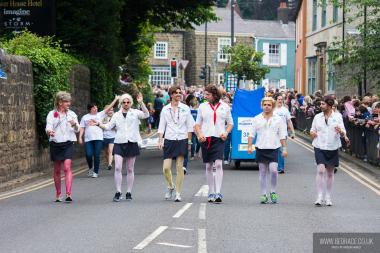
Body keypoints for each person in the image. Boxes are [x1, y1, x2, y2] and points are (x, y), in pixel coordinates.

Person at [99, 93, 149, 202]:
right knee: (117, 167)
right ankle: (118, 192)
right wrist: (98, 124)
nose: (126, 104)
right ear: (121, 103)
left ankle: (129, 192)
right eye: (124, 102)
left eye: (128, 102)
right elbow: (108, 127)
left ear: (131, 103)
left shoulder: (135, 113)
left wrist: (141, 102)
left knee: (130, 169)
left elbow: (146, 114)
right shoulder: (116, 115)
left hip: (132, 142)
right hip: (119, 142)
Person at [194, 84, 233, 203]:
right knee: (209, 166)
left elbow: (230, 123)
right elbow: (197, 124)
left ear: (215, 95)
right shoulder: (202, 106)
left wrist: (226, 133)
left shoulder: (225, 106)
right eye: (205, 94)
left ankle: (218, 192)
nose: (205, 96)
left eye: (207, 94)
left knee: (219, 164)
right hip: (206, 138)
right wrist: (199, 134)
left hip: (219, 138)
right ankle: (211, 192)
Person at [247, 97, 288, 204]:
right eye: (265, 104)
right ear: (262, 106)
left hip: (274, 148)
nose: (267, 106)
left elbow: (282, 135)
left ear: (272, 106)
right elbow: (251, 134)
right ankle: (263, 194)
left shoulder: (278, 119)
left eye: (269, 105)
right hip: (261, 148)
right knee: (263, 172)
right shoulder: (256, 118)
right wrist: (249, 146)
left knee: (274, 170)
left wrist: (284, 148)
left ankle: (273, 191)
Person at [310, 96, 349, 206]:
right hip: (319, 146)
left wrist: (341, 132)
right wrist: (312, 133)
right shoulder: (317, 117)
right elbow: (312, 130)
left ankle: (328, 197)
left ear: (329, 105)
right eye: (320, 104)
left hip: (332, 146)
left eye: (323, 104)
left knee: (330, 173)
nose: (320, 106)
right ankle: (319, 196)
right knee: (321, 170)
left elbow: (343, 133)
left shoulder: (338, 117)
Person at [158, 86, 195, 202]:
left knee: (180, 167)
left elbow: (190, 126)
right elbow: (161, 126)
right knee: (166, 168)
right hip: (169, 139)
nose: (179, 94)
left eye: (180, 93)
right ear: (171, 95)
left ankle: (178, 193)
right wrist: (160, 140)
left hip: (182, 139)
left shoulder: (185, 108)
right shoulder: (165, 109)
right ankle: (170, 186)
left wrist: (189, 142)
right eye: (176, 93)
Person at [45, 91, 80, 202]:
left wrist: (74, 124)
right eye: (66, 101)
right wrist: (49, 132)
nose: (69, 103)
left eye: (69, 101)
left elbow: (77, 129)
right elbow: (48, 126)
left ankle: (68, 193)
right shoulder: (52, 114)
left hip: (68, 143)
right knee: (56, 170)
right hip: (56, 143)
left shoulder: (72, 114)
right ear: (60, 102)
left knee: (66, 167)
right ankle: (58, 194)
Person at [79, 96, 119, 178]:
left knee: (96, 155)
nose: (96, 108)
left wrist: (115, 99)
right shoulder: (85, 117)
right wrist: (80, 137)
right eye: (94, 107)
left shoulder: (100, 114)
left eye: (96, 107)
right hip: (88, 139)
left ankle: (95, 172)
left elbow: (109, 107)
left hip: (99, 139)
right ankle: (90, 168)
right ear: (90, 109)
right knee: (89, 155)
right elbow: (82, 128)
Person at [273, 93, 295, 173]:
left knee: (281, 150)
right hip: (273, 133)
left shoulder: (285, 110)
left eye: (281, 99)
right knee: (273, 150)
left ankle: (281, 168)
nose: (280, 101)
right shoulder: (272, 109)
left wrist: (292, 132)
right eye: (279, 99)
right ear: (275, 100)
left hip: (283, 133)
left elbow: (289, 121)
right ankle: (274, 166)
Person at [101, 106, 116, 170]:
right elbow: (100, 126)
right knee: (106, 152)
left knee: (110, 151)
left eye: (112, 110)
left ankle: (110, 164)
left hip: (112, 137)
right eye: (109, 110)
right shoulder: (103, 118)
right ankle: (108, 162)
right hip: (104, 137)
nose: (110, 111)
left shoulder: (115, 118)